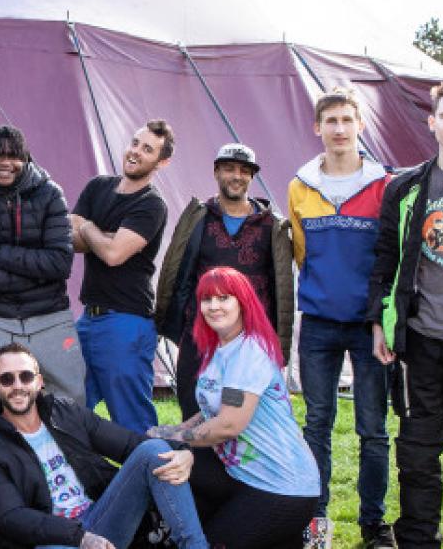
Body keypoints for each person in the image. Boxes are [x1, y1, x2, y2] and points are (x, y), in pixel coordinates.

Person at [0, 342, 207, 549]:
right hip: (51, 539)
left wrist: (182, 451)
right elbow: (10, 516)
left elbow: (128, 444)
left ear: (39, 381)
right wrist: (79, 537)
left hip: (101, 519)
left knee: (154, 451)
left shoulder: (65, 412)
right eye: (7, 379)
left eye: (26, 376)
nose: (17, 386)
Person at [287, 88, 392, 548]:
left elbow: (389, 256)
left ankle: (373, 525)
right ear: (318, 128)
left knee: (373, 429)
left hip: (369, 326)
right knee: (317, 425)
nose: (340, 129)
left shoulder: (384, 185)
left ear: (360, 126)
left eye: (348, 120)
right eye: (331, 121)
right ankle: (316, 524)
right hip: (318, 323)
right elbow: (301, 252)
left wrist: (381, 318)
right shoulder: (300, 186)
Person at [149, 267, 320, 549]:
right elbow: (213, 411)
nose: (214, 306)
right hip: (246, 477)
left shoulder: (249, 350)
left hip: (283, 487)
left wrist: (180, 439)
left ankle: (306, 534)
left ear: (243, 302)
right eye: (207, 299)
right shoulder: (220, 350)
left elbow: (228, 424)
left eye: (223, 298)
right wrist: (170, 431)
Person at [368, 79, 443, 549]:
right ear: (432, 122)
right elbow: (385, 258)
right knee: (417, 452)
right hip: (422, 337)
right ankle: (418, 539)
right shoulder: (405, 187)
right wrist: (379, 323)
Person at [156, 142, 293, 419]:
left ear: (252, 177)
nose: (236, 176)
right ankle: (194, 448)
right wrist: (171, 319)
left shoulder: (272, 225)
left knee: (244, 415)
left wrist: (278, 341)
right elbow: (176, 269)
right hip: (200, 332)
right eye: (229, 169)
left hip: (250, 339)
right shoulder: (198, 218)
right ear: (216, 172)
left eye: (244, 171)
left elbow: (281, 286)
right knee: (193, 407)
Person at [0, 125, 83, 403]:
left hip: (51, 316)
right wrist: (38, 274)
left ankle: (60, 436)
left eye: (13, 156)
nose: (5, 163)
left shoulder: (50, 194)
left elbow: (60, 264)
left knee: (71, 397)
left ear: (26, 158)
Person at [70, 119, 174, 433]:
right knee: (69, 409)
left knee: (132, 422)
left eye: (148, 149)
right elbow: (69, 238)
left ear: (161, 162)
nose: (136, 152)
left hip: (126, 321)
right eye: (135, 143)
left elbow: (113, 255)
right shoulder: (98, 186)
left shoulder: (151, 205)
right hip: (88, 318)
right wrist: (105, 238)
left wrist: (89, 227)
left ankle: (148, 465)